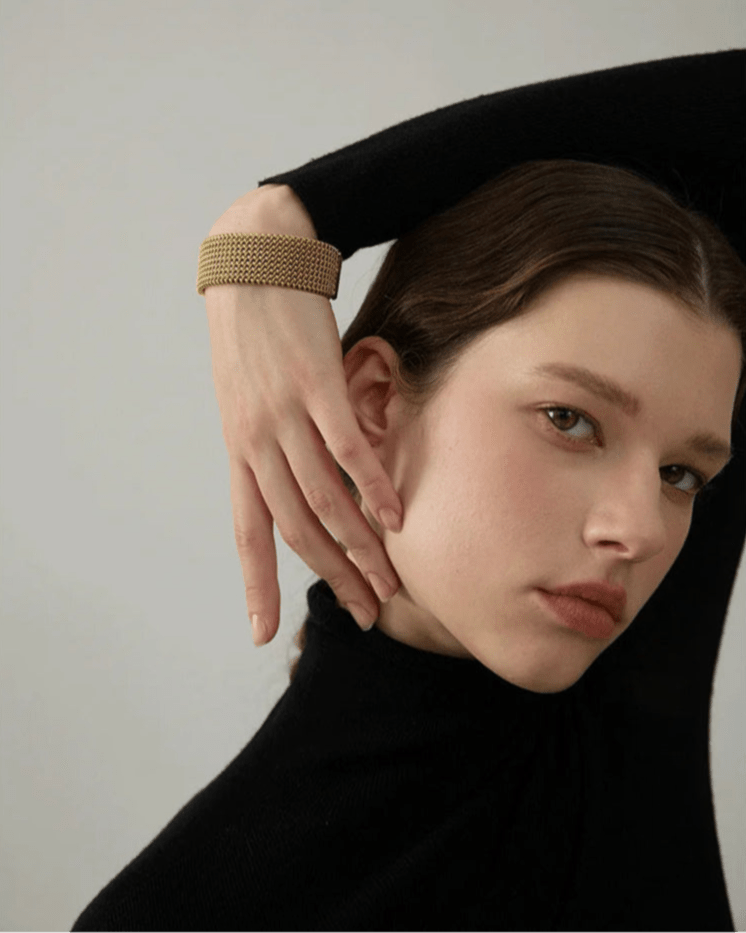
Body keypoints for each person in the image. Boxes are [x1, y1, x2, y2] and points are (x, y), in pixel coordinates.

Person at [71, 50, 745, 931]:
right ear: (375, 403)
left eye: (681, 474)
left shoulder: (625, 687)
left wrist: (292, 217)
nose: (641, 530)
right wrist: (275, 227)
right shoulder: (183, 910)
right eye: (569, 419)